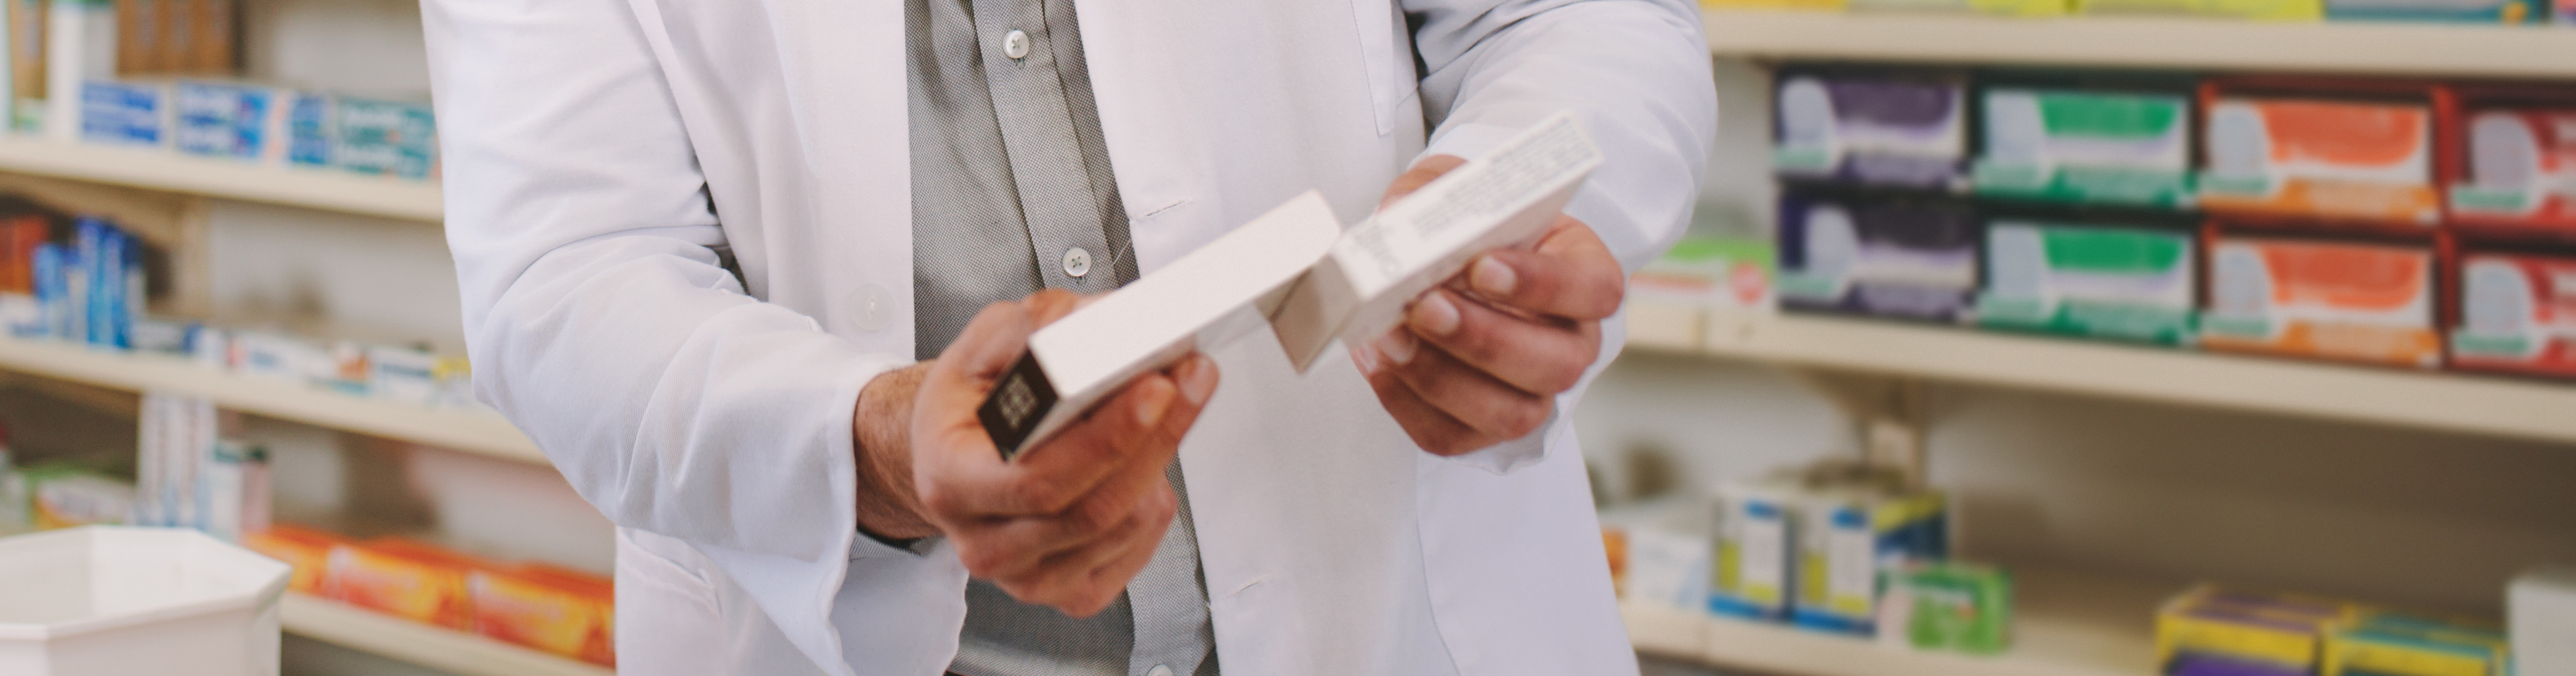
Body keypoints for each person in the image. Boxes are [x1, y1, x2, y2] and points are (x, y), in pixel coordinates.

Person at [419, 0, 1713, 670]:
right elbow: (565, 275)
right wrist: (872, 443)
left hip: (1396, 612)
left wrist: (1493, 213)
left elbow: (1570, 16)